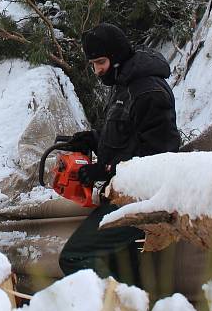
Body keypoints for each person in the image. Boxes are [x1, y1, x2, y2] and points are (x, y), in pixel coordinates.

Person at [58, 23, 181, 284]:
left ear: (117, 55)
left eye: (100, 62)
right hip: (120, 195)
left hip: (139, 201)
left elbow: (162, 157)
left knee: (75, 256)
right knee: (125, 277)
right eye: (93, 64)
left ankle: (113, 306)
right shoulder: (123, 85)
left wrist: (106, 170)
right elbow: (126, 135)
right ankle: (129, 308)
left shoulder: (149, 92)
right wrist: (92, 139)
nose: (97, 70)